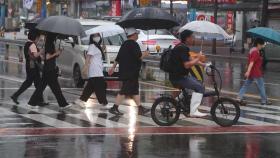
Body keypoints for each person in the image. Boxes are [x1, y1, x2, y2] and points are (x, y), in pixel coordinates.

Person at [108, 28, 149, 115]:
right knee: (124, 91)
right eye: (137, 34)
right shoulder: (134, 44)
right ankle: (114, 108)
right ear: (133, 35)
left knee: (134, 91)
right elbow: (139, 57)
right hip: (131, 72)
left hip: (125, 72)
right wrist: (145, 54)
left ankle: (140, 108)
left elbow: (118, 57)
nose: (137, 35)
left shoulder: (124, 44)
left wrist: (112, 67)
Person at [28, 33, 71, 110]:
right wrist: (56, 53)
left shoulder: (47, 43)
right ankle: (63, 104)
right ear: (53, 36)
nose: (56, 37)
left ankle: (32, 102)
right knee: (56, 89)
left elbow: (45, 56)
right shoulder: (50, 44)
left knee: (42, 87)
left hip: (47, 69)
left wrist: (58, 53)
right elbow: (48, 57)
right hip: (50, 69)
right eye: (55, 36)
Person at [169, 30, 207, 117]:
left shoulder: (181, 46)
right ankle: (193, 111)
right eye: (192, 37)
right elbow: (187, 65)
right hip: (179, 77)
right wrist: (198, 58)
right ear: (187, 38)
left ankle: (183, 104)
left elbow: (190, 59)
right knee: (200, 87)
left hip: (177, 75)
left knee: (196, 83)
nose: (193, 39)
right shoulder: (183, 48)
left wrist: (204, 65)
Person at [10, 30, 47, 106]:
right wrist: (42, 51)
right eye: (38, 38)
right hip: (32, 66)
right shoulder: (32, 45)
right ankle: (15, 95)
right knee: (32, 83)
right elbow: (35, 55)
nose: (39, 39)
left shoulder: (27, 43)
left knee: (36, 83)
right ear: (35, 37)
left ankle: (40, 100)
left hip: (30, 65)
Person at [74, 33, 108, 107]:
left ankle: (81, 100)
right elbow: (88, 57)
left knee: (90, 87)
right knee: (100, 86)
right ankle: (104, 102)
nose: (97, 37)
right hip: (95, 70)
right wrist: (85, 68)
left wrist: (102, 49)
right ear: (92, 37)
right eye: (95, 36)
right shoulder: (92, 46)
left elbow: (96, 56)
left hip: (97, 69)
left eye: (98, 35)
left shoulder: (97, 46)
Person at [238, 38, 272, 105]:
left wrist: (248, 70)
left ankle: (239, 98)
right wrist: (248, 71)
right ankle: (264, 101)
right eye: (262, 45)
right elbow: (252, 62)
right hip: (256, 72)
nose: (263, 46)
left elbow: (249, 61)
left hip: (251, 73)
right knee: (261, 86)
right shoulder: (255, 52)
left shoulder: (252, 50)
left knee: (246, 85)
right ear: (258, 44)